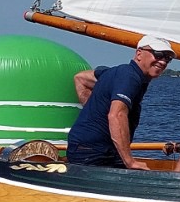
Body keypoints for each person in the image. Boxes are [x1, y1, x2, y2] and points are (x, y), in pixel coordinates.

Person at [67, 35, 174, 169]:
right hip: (93, 153)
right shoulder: (129, 77)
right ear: (139, 54)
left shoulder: (118, 73)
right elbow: (117, 115)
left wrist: (96, 112)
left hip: (95, 148)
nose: (163, 61)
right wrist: (130, 162)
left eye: (167, 58)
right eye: (158, 54)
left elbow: (81, 78)